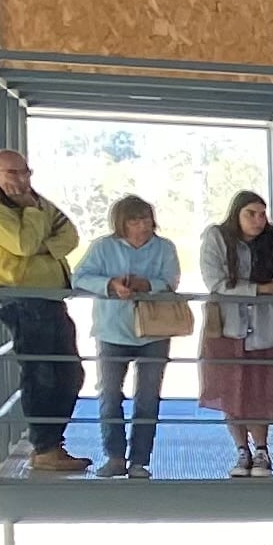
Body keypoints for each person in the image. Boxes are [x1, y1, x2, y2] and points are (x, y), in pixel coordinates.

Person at [70, 195, 181, 479]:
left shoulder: (165, 248)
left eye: (146, 219)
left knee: (147, 398)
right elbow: (79, 276)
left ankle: (140, 460)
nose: (142, 225)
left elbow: (170, 281)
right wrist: (109, 284)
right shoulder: (103, 247)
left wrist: (147, 285)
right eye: (134, 220)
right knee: (108, 395)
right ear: (122, 223)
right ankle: (115, 457)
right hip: (111, 330)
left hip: (154, 331)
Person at [0, 148, 87, 473]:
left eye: (25, 172)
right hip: (20, 297)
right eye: (13, 173)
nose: (22, 179)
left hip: (50, 296)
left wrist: (41, 245)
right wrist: (33, 217)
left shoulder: (36, 200)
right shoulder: (2, 206)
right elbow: (22, 245)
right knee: (42, 372)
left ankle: (51, 444)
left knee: (70, 372)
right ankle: (44, 448)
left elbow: (70, 233)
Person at [200, 190, 273, 475]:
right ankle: (241, 450)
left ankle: (262, 450)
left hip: (265, 327)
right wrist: (261, 289)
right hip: (227, 328)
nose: (258, 220)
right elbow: (215, 281)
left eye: (262, 214)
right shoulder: (217, 237)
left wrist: (255, 288)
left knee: (260, 391)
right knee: (232, 390)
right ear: (236, 214)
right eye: (250, 214)